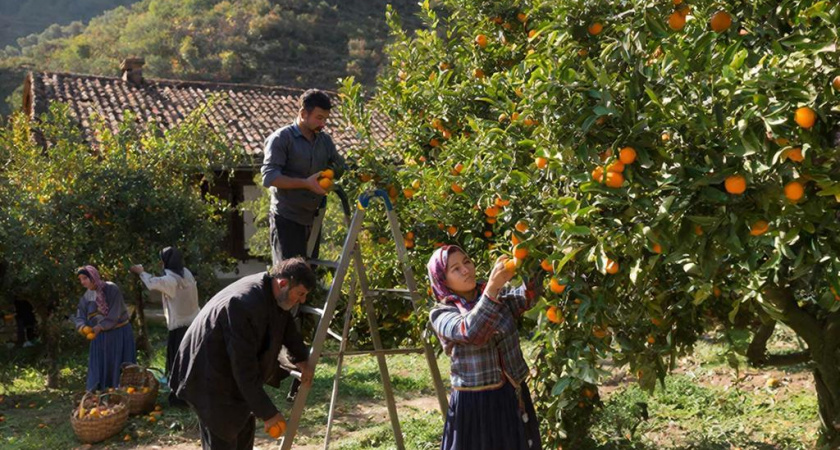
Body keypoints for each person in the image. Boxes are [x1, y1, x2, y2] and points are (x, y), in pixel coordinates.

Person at [169, 257, 316, 450]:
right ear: (283, 283)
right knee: (223, 435)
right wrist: (268, 413)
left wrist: (301, 358)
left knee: (242, 426)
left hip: (228, 371)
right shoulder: (243, 305)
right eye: (301, 293)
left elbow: (285, 323)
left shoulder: (273, 292)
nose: (302, 300)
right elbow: (244, 368)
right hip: (207, 375)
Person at [261, 88, 345, 401]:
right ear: (304, 112)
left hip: (313, 220)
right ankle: (275, 363)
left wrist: (329, 174)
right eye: (319, 117)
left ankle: (297, 363)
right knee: (286, 289)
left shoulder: (323, 140)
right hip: (286, 219)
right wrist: (306, 182)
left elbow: (339, 164)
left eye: (326, 118)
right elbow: (269, 177)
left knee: (304, 290)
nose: (323, 123)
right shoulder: (282, 138)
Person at [427, 245, 542, 450]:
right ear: (443, 281)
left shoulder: (498, 298)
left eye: (467, 262)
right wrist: (492, 288)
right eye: (455, 268)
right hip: (476, 406)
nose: (466, 270)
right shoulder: (441, 313)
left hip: (511, 397)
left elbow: (528, 296)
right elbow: (469, 331)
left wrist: (530, 256)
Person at [130, 246, 200, 407]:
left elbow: (153, 283)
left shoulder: (171, 280)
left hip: (179, 327)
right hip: (193, 323)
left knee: (178, 362)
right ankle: (193, 394)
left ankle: (180, 398)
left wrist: (141, 271)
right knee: (191, 359)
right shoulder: (186, 273)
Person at [73, 265, 137, 392]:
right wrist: (81, 326)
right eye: (80, 279)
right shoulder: (89, 295)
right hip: (100, 336)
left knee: (119, 365)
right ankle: (100, 393)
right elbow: (80, 313)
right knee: (100, 367)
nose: (83, 282)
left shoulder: (111, 289)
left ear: (93, 277)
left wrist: (100, 327)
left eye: (85, 278)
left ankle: (122, 394)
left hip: (119, 334)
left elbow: (115, 313)